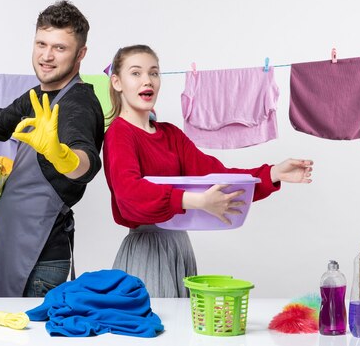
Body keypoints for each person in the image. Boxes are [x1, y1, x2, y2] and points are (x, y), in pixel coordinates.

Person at [103, 44, 313, 298]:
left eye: (154, 73)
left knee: (179, 333)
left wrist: (272, 173)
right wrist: (197, 201)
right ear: (117, 82)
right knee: (154, 333)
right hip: (146, 252)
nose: (147, 80)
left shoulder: (171, 135)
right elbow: (129, 194)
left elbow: (216, 174)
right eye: (135, 73)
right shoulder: (119, 133)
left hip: (179, 248)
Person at [0, 1, 104, 297]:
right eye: (41, 44)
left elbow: (85, 162)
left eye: (60, 48)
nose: (46, 56)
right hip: (11, 247)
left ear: (81, 54)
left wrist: (60, 154)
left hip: (39, 260)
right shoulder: (38, 97)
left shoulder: (78, 104)